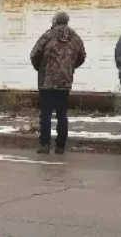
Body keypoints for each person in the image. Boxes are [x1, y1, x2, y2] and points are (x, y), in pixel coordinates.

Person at [30, 11, 86, 154]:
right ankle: (60, 146)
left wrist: (41, 68)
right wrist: (69, 68)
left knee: (46, 114)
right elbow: (82, 56)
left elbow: (34, 54)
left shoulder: (47, 36)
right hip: (65, 81)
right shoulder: (75, 37)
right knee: (62, 114)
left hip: (47, 81)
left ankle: (44, 144)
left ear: (55, 21)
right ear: (67, 21)